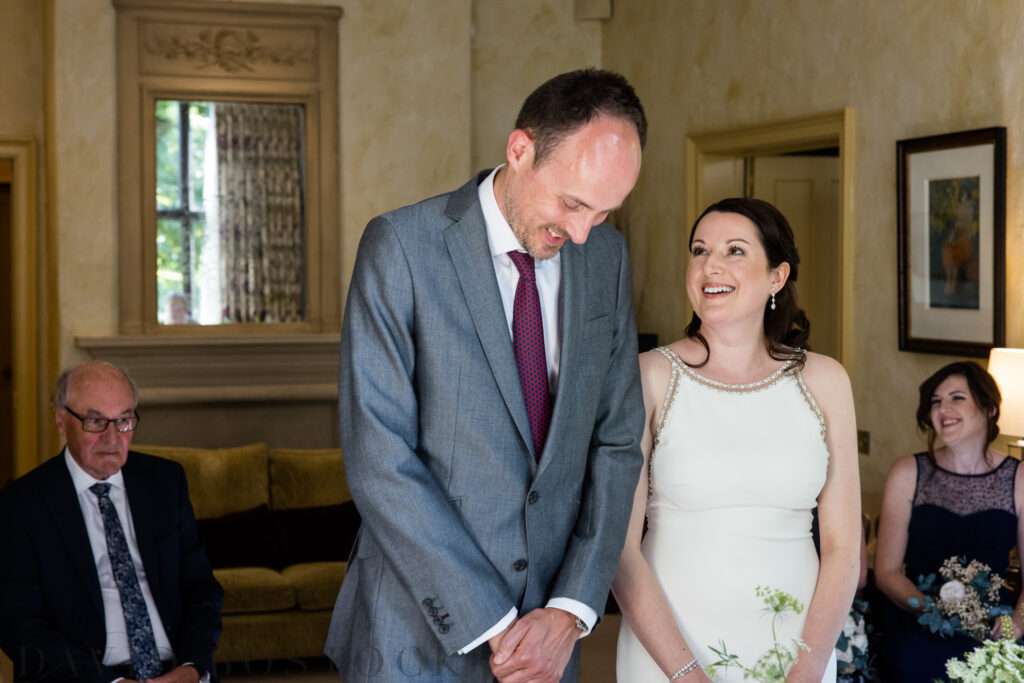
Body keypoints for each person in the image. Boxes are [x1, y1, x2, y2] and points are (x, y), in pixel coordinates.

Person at [324, 68, 647, 682]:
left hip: (551, 645)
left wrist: (570, 611)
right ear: (520, 150)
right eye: (572, 203)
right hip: (412, 638)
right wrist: (499, 628)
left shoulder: (607, 257)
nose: (581, 233)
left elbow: (615, 442)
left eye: (604, 213)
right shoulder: (400, 246)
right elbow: (378, 455)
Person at [612, 198, 861, 682]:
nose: (710, 266)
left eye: (734, 251)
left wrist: (808, 667)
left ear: (777, 276)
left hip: (794, 651)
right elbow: (620, 550)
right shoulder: (649, 376)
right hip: (670, 652)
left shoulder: (825, 381)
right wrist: (687, 675)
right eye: (700, 250)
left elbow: (843, 548)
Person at [0, 361, 223, 683]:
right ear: (61, 420)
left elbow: (202, 589)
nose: (112, 437)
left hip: (176, 672)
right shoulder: (21, 505)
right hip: (82, 676)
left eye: (124, 420)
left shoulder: (165, 482)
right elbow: (19, 625)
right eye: (95, 421)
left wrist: (192, 668)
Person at [874, 361, 1024, 682]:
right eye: (935, 401)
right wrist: (930, 609)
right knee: (916, 661)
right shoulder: (907, 472)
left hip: (994, 623)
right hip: (917, 619)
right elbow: (886, 572)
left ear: (990, 409)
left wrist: (1015, 626)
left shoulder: (1019, 478)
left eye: (957, 398)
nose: (944, 408)